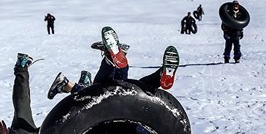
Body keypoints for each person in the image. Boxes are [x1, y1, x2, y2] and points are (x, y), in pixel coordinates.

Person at [48, 28, 180, 100]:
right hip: (128, 100)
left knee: (99, 88)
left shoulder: (84, 92)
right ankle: (161, 74)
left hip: (115, 109)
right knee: (134, 86)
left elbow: (86, 93)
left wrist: (70, 85)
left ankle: (109, 61)